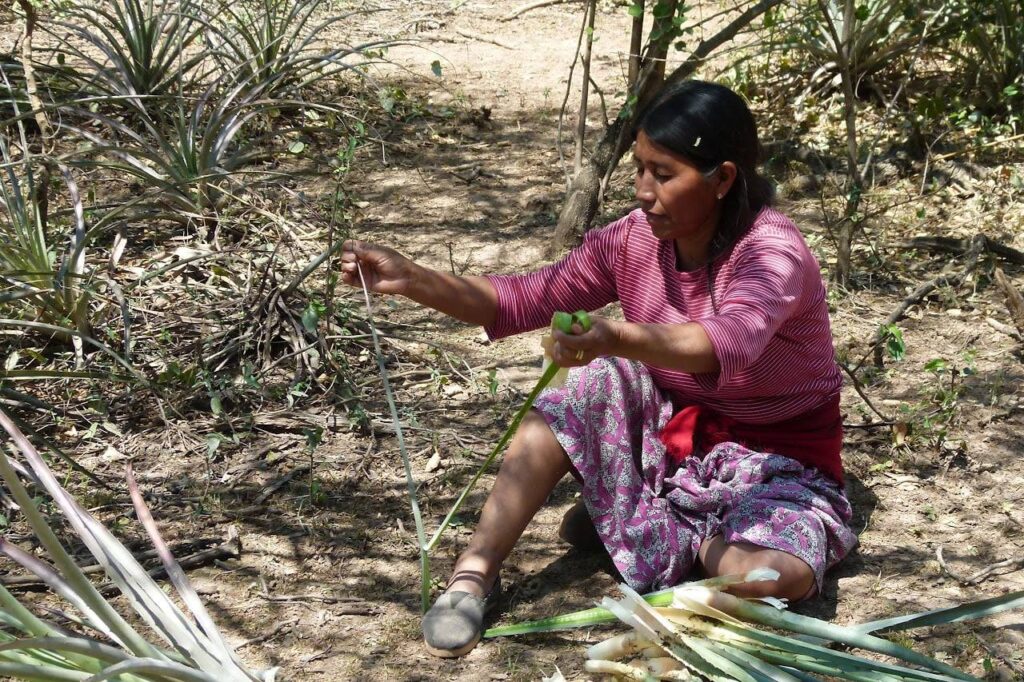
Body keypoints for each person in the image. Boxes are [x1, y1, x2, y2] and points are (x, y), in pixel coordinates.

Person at [340, 80, 857, 658]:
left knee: (767, 579)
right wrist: (412, 279)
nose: (642, 191)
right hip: (673, 437)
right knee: (586, 385)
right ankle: (475, 572)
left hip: (781, 466)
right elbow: (521, 298)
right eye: (639, 168)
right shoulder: (633, 241)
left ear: (724, 179)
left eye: (664, 174)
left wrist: (614, 335)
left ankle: (644, 521)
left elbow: (726, 340)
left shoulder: (770, 251)